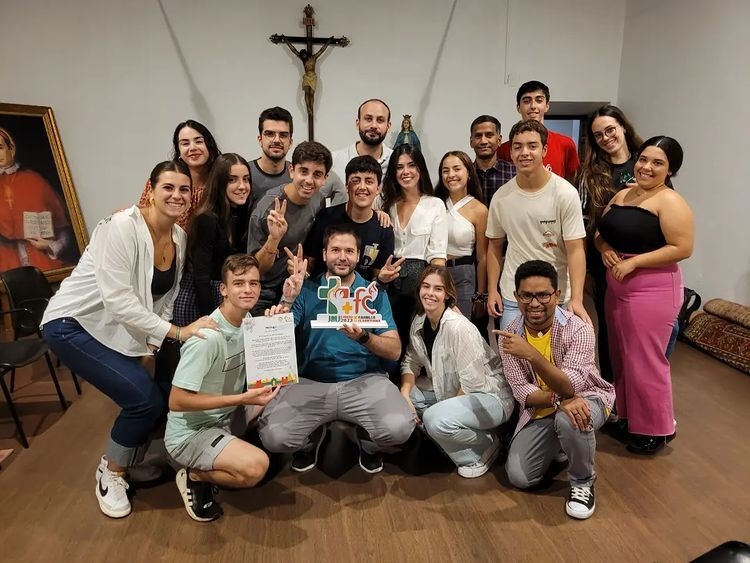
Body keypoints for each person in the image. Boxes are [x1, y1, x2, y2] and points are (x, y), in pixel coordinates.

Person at [41, 160, 219, 519]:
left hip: (117, 331)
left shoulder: (179, 237)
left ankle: (131, 459)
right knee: (142, 400)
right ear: (150, 190)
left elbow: (166, 299)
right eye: (168, 187)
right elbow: (118, 300)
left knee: (157, 394)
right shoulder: (121, 226)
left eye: (184, 189)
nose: (177, 195)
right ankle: (111, 471)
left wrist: (153, 344)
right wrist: (177, 333)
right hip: (72, 324)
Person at [259, 225, 416, 473]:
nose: (342, 257)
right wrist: (287, 299)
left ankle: (369, 443)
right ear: (324, 254)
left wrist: (364, 338)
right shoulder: (305, 289)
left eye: (349, 251)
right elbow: (275, 340)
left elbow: (395, 350)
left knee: (400, 428)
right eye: (335, 250)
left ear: (358, 255)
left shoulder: (372, 293)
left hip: (364, 380)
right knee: (273, 437)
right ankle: (310, 439)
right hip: (310, 381)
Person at [166, 254, 302, 522]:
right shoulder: (207, 338)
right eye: (239, 283)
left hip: (227, 417)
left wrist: (286, 304)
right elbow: (176, 401)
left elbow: (271, 358)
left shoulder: (246, 320)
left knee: (285, 399)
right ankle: (194, 475)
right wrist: (241, 399)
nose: (248, 289)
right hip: (190, 434)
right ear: (224, 289)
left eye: (254, 283)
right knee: (257, 467)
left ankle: (228, 447)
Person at [595, 136, 693, 455]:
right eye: (643, 159)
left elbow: (682, 248)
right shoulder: (623, 194)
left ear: (670, 170)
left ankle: (657, 429)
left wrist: (635, 262)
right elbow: (600, 233)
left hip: (653, 287)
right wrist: (605, 249)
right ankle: (627, 417)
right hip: (617, 284)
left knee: (646, 360)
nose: (647, 167)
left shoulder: (670, 201)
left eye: (657, 163)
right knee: (621, 356)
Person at [499, 260, 614, 520]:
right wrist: (558, 400)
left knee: (572, 417)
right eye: (526, 296)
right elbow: (522, 392)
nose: (535, 303)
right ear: (516, 296)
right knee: (520, 477)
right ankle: (563, 444)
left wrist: (532, 355)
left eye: (543, 295)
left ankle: (583, 482)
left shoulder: (579, 328)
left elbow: (571, 387)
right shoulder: (510, 334)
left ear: (557, 295)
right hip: (545, 406)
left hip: (588, 398)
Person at [400, 266, 514, 478]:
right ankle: (455, 435)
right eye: (426, 287)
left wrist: (442, 413)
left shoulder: (458, 327)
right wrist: (405, 394)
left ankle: (487, 446)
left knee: (434, 420)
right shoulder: (419, 321)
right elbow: (411, 360)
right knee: (404, 403)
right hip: (451, 392)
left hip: (489, 396)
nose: (430, 293)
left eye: (438, 289)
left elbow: (472, 383)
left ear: (448, 294)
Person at [486, 120, 589, 330]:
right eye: (517, 147)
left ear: (544, 150)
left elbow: (576, 250)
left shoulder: (565, 193)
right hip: (514, 296)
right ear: (511, 152)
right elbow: (494, 246)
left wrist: (577, 298)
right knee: (512, 351)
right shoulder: (501, 197)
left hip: (556, 295)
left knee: (555, 352)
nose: (524, 152)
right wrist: (492, 290)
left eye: (532, 146)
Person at [381, 144, 448, 363]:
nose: (405, 172)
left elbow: (438, 256)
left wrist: (436, 290)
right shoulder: (387, 204)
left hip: (421, 280)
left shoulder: (435, 204)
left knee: (420, 342)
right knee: (391, 340)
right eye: (399, 167)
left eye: (411, 165)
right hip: (389, 282)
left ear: (420, 169)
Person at [247, 141, 331, 315]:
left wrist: (303, 271)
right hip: (263, 293)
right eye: (303, 171)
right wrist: (274, 239)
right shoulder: (267, 208)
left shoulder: (319, 200)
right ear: (292, 170)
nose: (309, 180)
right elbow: (254, 269)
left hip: (297, 288)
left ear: (325, 178)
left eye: (317, 174)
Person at [172, 153, 252, 326]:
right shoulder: (207, 219)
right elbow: (200, 277)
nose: (242, 186)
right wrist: (211, 319)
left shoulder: (240, 215)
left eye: (246, 179)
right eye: (232, 180)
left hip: (224, 294)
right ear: (219, 183)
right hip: (200, 299)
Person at [304, 155, 399, 283]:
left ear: (378, 189)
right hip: (321, 290)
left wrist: (382, 279)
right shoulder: (326, 217)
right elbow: (309, 263)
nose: (362, 187)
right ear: (347, 187)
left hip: (361, 293)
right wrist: (301, 273)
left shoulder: (384, 228)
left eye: (369, 181)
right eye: (356, 181)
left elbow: (377, 277)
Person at [0, 126, 76, 271]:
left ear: (11, 148)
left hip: (42, 259)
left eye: (0, 148)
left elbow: (64, 228)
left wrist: (51, 245)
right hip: (6, 264)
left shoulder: (34, 180)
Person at [434, 151, 489, 320]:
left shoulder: (480, 210)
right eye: (445, 171)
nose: (451, 175)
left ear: (469, 173)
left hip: (464, 274)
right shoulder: (434, 204)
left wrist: (480, 295)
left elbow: (483, 257)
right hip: (435, 273)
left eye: (457, 169)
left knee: (460, 325)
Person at [137, 120, 221, 230]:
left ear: (209, 146)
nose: (193, 148)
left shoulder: (222, 184)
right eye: (185, 143)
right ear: (179, 151)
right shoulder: (162, 181)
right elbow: (144, 218)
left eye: (199, 141)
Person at [497, 81, 580, 181]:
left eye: (539, 100)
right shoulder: (504, 150)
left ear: (547, 106)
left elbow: (573, 182)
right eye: (526, 101)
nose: (533, 106)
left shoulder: (566, 144)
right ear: (518, 107)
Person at [323, 99, 393, 207]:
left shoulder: (396, 162)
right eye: (368, 119)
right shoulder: (334, 161)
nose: (374, 125)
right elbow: (315, 199)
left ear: (388, 126)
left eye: (380, 120)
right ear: (357, 123)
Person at [249, 107, 293, 209]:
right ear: (260, 140)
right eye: (270, 134)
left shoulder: (297, 176)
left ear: (290, 142)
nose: (277, 140)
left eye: (283, 135)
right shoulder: (244, 175)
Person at [469, 115, 516, 205]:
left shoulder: (514, 173)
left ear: (499, 140)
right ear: (471, 141)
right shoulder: (465, 174)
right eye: (478, 136)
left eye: (489, 135)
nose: (483, 141)